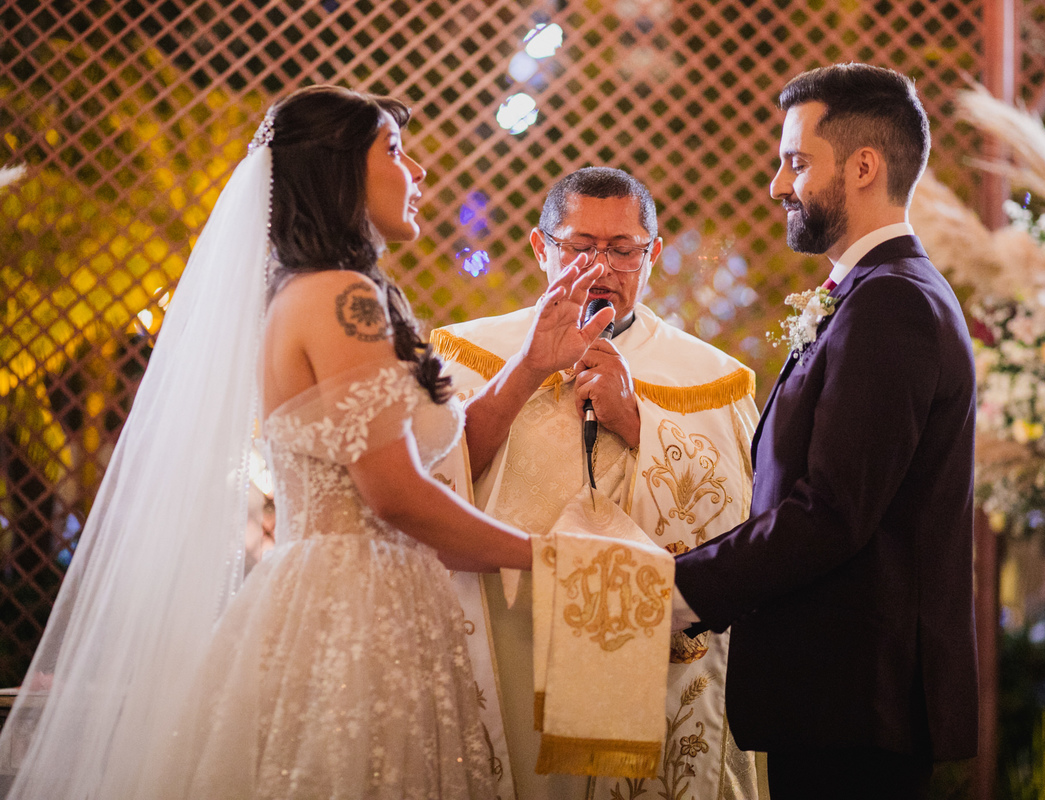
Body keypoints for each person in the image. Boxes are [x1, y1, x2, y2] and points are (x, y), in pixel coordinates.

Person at [0, 85, 615, 798]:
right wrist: (555, 558)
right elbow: (397, 496)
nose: (418, 174)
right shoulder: (337, 296)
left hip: (373, 605)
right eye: (394, 151)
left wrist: (532, 363)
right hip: (355, 620)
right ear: (337, 170)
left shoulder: (340, 291)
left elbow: (436, 471)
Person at [672, 64, 980, 799]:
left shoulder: (893, 306)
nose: (780, 184)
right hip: (842, 700)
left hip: (857, 702)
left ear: (864, 166)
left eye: (797, 161)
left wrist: (677, 593)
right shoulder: (878, 295)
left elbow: (833, 512)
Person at [431, 167, 761, 800]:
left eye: (622, 250)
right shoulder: (467, 353)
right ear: (540, 248)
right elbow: (434, 483)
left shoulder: (713, 379)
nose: (601, 267)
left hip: (646, 650)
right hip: (506, 640)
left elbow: (742, 519)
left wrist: (640, 422)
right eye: (580, 248)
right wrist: (526, 371)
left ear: (653, 254)